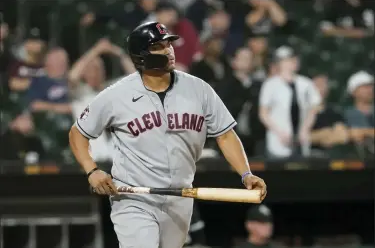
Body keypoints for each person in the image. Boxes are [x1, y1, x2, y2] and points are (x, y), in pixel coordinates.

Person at [69, 21, 267, 248]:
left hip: (181, 195)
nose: (169, 50)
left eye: (169, 44)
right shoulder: (117, 95)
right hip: (134, 196)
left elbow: (225, 135)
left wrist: (246, 174)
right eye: (159, 46)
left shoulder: (198, 89)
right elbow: (78, 133)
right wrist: (91, 170)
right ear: (141, 56)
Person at [259, 46, 321, 158]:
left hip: (301, 140)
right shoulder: (270, 85)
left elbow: (314, 108)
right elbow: (263, 113)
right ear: (279, 63)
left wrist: (305, 129)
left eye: (294, 59)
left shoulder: (306, 83)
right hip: (278, 140)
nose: (292, 62)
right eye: (288, 60)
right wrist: (279, 132)